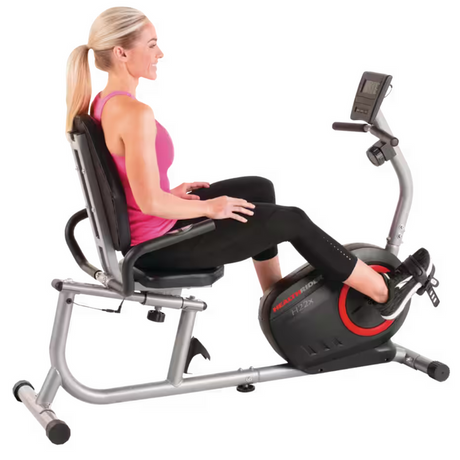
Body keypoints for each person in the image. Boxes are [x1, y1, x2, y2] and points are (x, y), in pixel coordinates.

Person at [65, 6, 432, 321]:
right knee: (292, 220)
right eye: (151, 45)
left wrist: (170, 193)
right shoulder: (134, 114)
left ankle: (275, 301)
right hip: (158, 247)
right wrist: (211, 207)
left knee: (259, 188)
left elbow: (126, 184)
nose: (160, 53)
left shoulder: (105, 102)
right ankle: (384, 293)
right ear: (121, 53)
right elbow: (148, 202)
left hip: (153, 229)